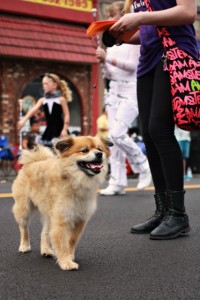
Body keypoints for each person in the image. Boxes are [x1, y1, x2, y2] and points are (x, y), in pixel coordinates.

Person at [108, 0, 198, 239]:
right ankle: (164, 210)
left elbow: (188, 13)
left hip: (173, 53)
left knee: (159, 129)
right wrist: (124, 36)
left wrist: (139, 17)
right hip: (147, 61)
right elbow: (148, 30)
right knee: (148, 134)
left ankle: (178, 215)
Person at [96, 1, 152, 196]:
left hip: (131, 90)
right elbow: (111, 74)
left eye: (113, 16)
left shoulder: (134, 38)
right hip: (114, 91)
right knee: (113, 139)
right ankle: (117, 182)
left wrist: (107, 58)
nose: (110, 21)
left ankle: (142, 164)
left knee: (118, 134)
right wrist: (103, 62)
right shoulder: (113, 43)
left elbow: (132, 66)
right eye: (109, 17)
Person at [18, 73, 72, 147]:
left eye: (46, 84)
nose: (44, 86)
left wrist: (65, 129)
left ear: (54, 85)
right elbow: (32, 110)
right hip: (49, 130)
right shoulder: (43, 100)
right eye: (43, 84)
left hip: (60, 129)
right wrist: (23, 121)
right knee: (46, 148)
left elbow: (67, 114)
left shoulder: (61, 99)